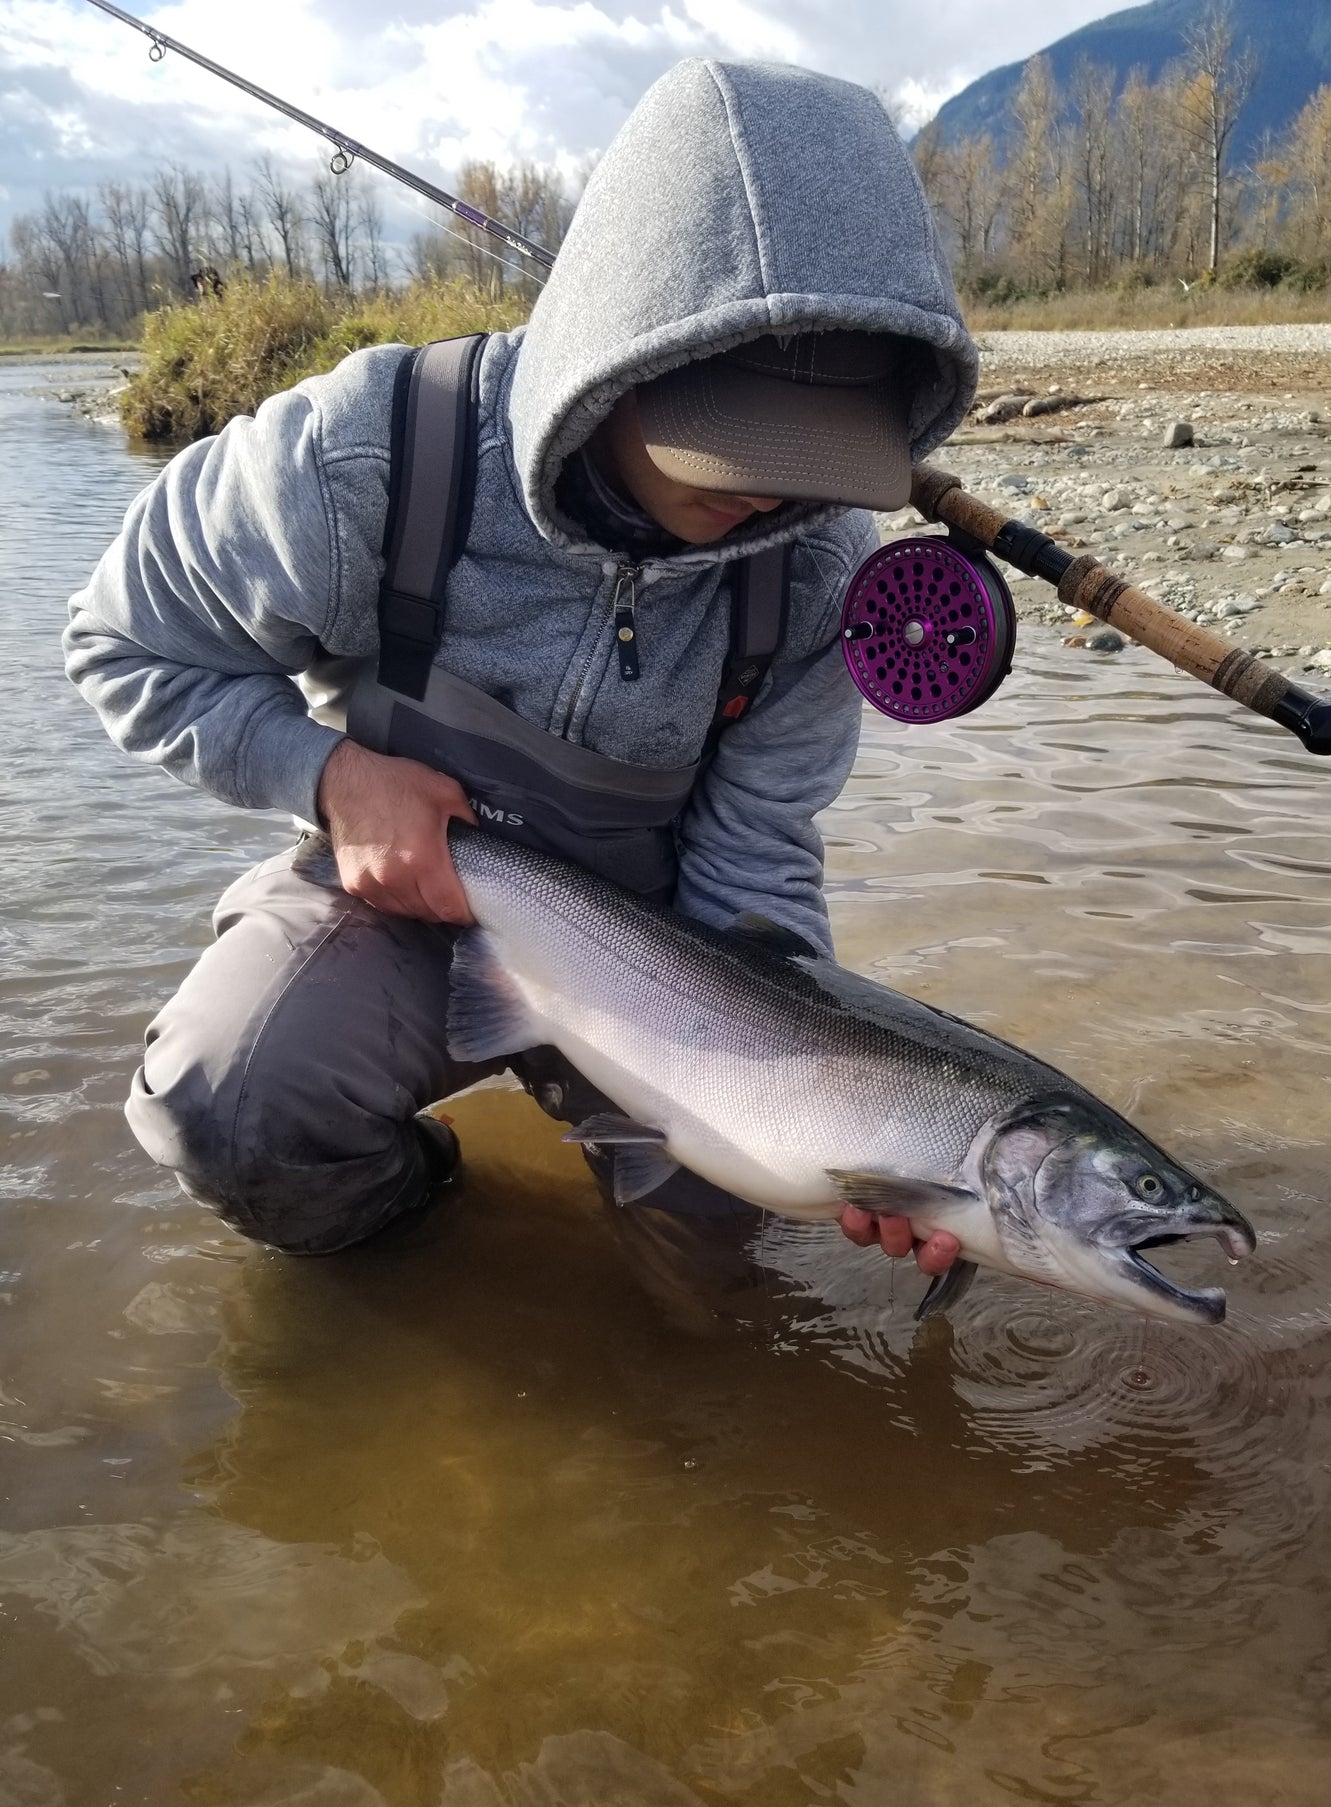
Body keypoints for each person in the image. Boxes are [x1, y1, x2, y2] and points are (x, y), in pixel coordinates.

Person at [63, 58, 979, 1279]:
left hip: (660, 961)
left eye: (816, 452)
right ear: (614, 355)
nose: (775, 488)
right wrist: (330, 776)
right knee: (232, 1106)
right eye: (734, 438)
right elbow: (122, 643)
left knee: (719, 1264)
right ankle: (423, 1214)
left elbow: (754, 865)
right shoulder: (356, 458)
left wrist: (845, 1121)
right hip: (396, 902)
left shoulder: (814, 572)